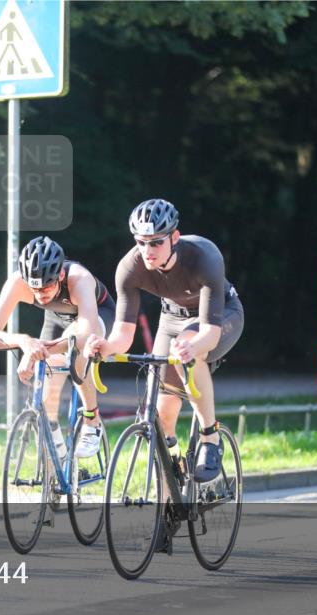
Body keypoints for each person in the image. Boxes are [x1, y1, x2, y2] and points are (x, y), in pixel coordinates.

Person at [85, 198, 243, 484]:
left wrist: (192, 347)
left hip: (220, 316)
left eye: (156, 242)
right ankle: (174, 475)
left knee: (186, 349)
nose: (148, 251)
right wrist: (106, 346)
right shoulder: (129, 268)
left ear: (174, 237)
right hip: (171, 318)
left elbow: (209, 333)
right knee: (161, 415)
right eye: (141, 242)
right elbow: (123, 333)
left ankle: (210, 437)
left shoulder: (204, 257)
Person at [0, 236, 115, 459]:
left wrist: (35, 354)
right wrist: (23, 342)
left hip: (96, 317)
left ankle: (92, 419)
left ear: (60, 275)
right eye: (34, 288)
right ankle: (59, 461)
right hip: (56, 319)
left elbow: (85, 336)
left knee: (74, 349)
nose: (41, 293)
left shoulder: (79, 278)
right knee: (45, 401)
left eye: (46, 286)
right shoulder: (18, 282)